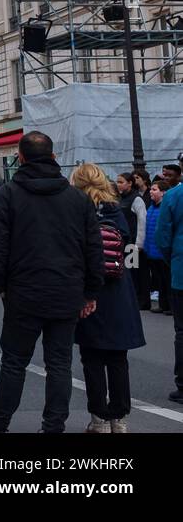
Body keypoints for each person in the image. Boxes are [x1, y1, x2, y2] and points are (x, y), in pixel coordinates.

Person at [0, 131, 104, 434]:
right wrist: (90, 291)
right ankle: (53, 426)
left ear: (20, 158)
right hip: (67, 291)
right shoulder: (77, 198)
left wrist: (0, 285)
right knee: (59, 363)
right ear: (53, 158)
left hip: (22, 291)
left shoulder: (7, 195)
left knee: (13, 362)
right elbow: (93, 248)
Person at [70, 165, 144, 432]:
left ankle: (98, 418)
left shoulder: (75, 209)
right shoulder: (116, 208)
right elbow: (125, 242)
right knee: (117, 358)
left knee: (91, 358)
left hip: (89, 287)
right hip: (117, 287)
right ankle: (119, 418)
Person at [156, 168, 183, 403]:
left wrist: (172, 259)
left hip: (181, 270)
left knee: (182, 331)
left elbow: (163, 236)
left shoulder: (174, 196)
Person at [116, 172, 149, 311]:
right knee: (129, 272)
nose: (118, 184)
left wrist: (139, 244)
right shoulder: (121, 199)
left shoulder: (136, 199)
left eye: (121, 182)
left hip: (132, 244)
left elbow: (142, 221)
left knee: (136, 273)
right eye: (117, 182)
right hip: (124, 243)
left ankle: (142, 300)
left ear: (129, 183)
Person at [145, 179, 172, 314]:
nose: (151, 191)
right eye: (151, 189)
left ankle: (170, 306)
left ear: (163, 193)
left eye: (154, 189)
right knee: (159, 280)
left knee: (167, 280)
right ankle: (163, 304)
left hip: (161, 250)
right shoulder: (151, 207)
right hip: (152, 249)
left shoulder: (165, 208)